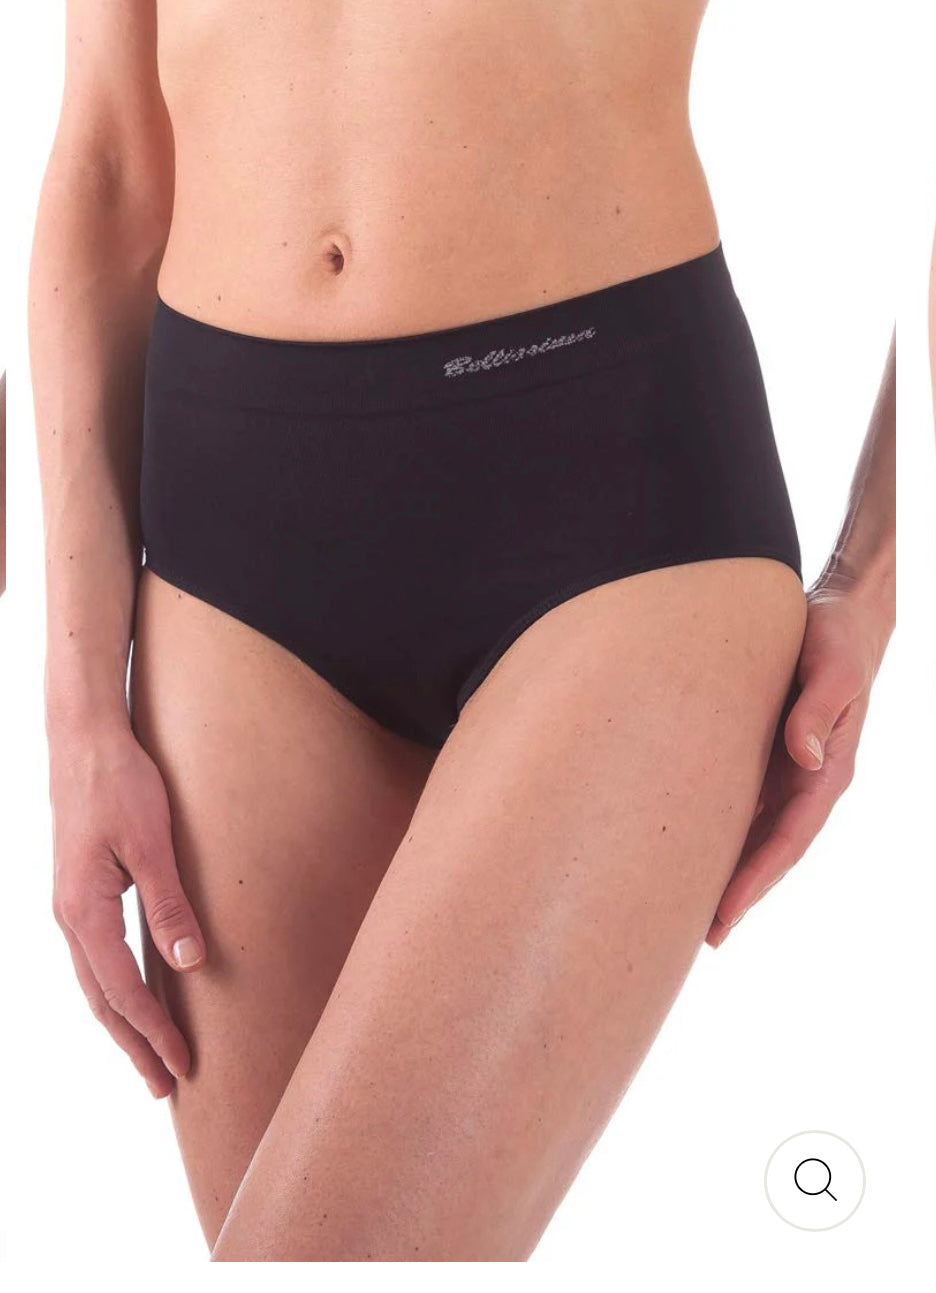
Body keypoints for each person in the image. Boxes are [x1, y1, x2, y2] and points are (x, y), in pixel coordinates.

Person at [29, 0, 895, 1261]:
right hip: (228, 555)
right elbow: (110, 166)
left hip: (610, 507)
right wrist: (76, 712)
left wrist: (877, 570)